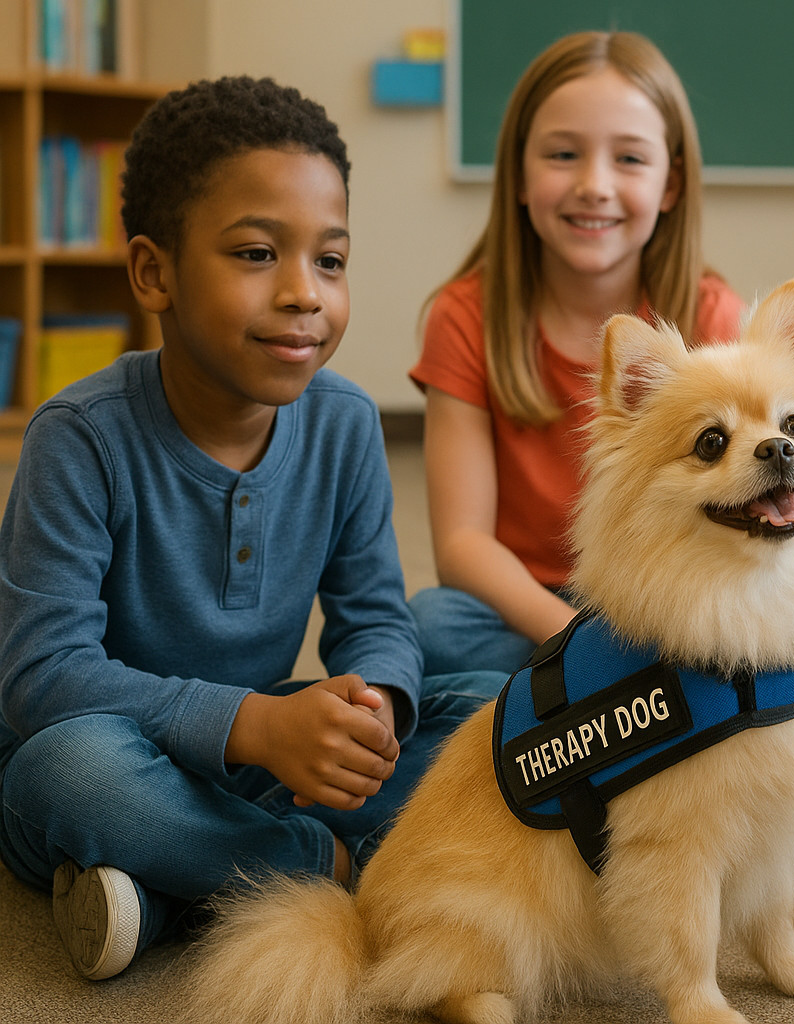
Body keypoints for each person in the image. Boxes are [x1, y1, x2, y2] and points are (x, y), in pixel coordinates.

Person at [0, 76, 505, 981]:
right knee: (69, 775)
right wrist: (254, 727)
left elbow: (376, 620)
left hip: (264, 748)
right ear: (154, 270)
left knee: (489, 711)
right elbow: (41, 680)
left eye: (331, 261)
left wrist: (375, 709)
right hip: (111, 746)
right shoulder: (78, 439)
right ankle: (322, 869)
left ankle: (166, 887)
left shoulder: (345, 424)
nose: (304, 295)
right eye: (257, 254)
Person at [408, 31, 745, 675]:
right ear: (519, 178)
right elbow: (461, 544)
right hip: (528, 608)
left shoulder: (712, 317)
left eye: (629, 160)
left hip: (658, 602)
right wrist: (578, 645)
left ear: (671, 184)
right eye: (564, 154)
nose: (594, 185)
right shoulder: (465, 316)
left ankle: (563, 715)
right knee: (430, 624)